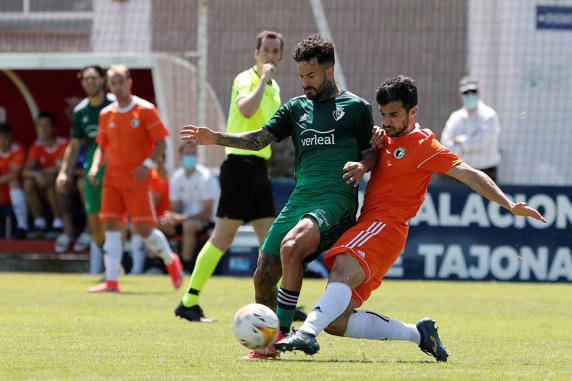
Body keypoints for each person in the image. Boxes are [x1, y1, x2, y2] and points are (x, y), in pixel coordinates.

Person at [274, 75, 546, 362]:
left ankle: (306, 332)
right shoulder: (384, 138)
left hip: (385, 226)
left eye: (394, 114)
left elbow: (469, 173)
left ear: (412, 112)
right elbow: (370, 155)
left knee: (341, 269)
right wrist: (369, 153)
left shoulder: (424, 145)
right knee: (337, 322)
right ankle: (419, 334)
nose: (387, 121)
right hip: (377, 229)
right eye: (383, 114)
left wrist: (509, 204)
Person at [180, 34, 377, 358]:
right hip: (301, 199)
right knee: (264, 271)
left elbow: (372, 153)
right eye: (300, 76)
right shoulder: (295, 109)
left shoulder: (355, 108)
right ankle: (268, 345)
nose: (304, 83)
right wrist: (217, 138)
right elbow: (259, 139)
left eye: (310, 76)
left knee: (291, 247)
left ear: (329, 71)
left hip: (335, 200)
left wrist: (362, 164)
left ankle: (282, 336)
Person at [175, 30, 285, 322]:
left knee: (272, 242)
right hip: (239, 166)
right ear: (256, 53)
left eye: (276, 51)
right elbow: (246, 111)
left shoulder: (276, 89)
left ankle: (281, 305)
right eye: (266, 50)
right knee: (222, 238)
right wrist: (263, 77)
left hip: (260, 168)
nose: (270, 56)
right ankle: (189, 301)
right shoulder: (246, 79)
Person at [87, 64, 183, 293]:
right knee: (110, 224)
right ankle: (112, 280)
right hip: (112, 178)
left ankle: (170, 260)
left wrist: (148, 164)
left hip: (137, 179)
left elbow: (161, 142)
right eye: (113, 83)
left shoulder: (145, 109)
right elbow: (101, 146)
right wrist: (94, 167)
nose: (117, 87)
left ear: (129, 83)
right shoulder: (106, 114)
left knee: (142, 229)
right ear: (108, 86)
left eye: (121, 82)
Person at [56, 65, 114, 272]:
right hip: (93, 169)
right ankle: (110, 267)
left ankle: (142, 264)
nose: (90, 82)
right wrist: (64, 171)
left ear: (102, 80)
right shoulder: (80, 112)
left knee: (118, 219)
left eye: (94, 78)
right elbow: (73, 147)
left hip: (117, 166)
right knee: (95, 219)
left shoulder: (115, 106)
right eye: (86, 79)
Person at [159, 144, 219, 269]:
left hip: (207, 222)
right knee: (159, 223)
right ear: (180, 156)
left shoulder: (205, 177)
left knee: (189, 226)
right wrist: (171, 217)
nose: (190, 157)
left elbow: (207, 213)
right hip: (184, 219)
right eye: (187, 153)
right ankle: (159, 265)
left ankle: (185, 266)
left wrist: (180, 218)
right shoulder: (177, 178)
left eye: (193, 154)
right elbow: (175, 208)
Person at [440, 77, 501, 182]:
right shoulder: (455, 117)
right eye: (466, 92)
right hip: (461, 172)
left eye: (472, 91)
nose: (469, 95)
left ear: (478, 92)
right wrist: (468, 143)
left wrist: (460, 142)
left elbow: (483, 142)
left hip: (486, 171)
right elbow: (445, 143)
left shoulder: (489, 115)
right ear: (460, 94)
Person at [23, 112, 70, 241]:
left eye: (46, 125)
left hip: (66, 188)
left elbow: (62, 167)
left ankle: (58, 222)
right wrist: (37, 174)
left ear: (54, 128)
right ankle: (39, 222)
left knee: (51, 180)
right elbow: (25, 171)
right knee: (28, 182)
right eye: (39, 126)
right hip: (42, 187)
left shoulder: (64, 144)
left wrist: (43, 173)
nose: (43, 129)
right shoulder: (36, 146)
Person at [0, 123, 28, 237]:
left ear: (10, 137)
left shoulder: (18, 149)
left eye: (4, 138)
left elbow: (14, 175)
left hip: (14, 193)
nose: (1, 142)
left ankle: (22, 226)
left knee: (14, 182)